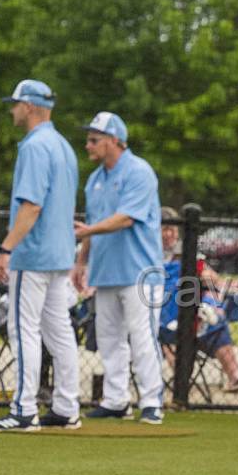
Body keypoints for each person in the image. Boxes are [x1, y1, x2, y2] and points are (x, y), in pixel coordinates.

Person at [0, 79, 81, 432]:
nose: (12, 109)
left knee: (25, 330)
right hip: (59, 253)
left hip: (34, 253)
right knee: (59, 331)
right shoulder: (64, 145)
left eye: (16, 103)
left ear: (30, 107)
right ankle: (67, 407)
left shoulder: (35, 146)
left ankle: (23, 411)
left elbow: (32, 205)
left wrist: (6, 249)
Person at [71, 112, 166, 424]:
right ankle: (115, 401)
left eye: (94, 139)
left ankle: (152, 401)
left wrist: (87, 233)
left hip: (140, 271)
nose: (88, 144)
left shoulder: (139, 171)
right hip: (107, 270)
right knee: (109, 338)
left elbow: (126, 218)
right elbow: (92, 223)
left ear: (114, 141)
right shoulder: (95, 179)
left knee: (143, 337)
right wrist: (81, 261)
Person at [156, 206, 238, 395]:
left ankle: (235, 378)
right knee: (164, 330)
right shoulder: (148, 255)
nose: (169, 234)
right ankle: (181, 385)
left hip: (190, 317)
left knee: (217, 324)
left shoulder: (186, 253)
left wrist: (222, 287)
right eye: (164, 229)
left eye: (173, 230)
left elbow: (212, 278)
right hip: (159, 320)